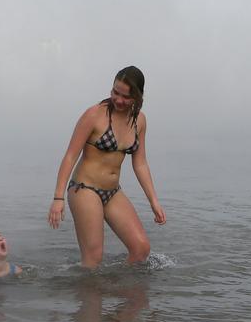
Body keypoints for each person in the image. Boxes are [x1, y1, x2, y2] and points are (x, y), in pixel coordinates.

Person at [48, 66, 166, 268]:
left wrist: (153, 202)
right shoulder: (94, 115)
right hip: (85, 189)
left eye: (126, 96)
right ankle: (90, 295)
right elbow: (70, 156)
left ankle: (124, 294)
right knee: (94, 259)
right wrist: (58, 198)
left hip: (112, 192)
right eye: (115, 92)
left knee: (141, 249)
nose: (118, 100)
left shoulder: (140, 120)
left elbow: (140, 163)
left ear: (138, 96)